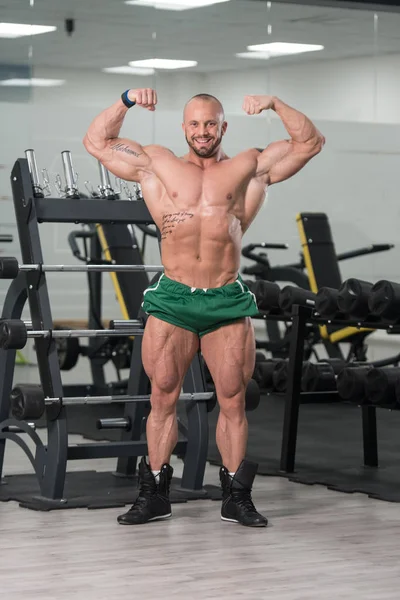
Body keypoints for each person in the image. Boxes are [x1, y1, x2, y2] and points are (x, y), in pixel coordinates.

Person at [83, 88, 324, 528]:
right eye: (194, 124)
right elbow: (96, 142)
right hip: (174, 296)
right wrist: (126, 100)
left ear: (223, 126)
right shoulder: (157, 162)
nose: (202, 132)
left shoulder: (247, 167)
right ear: (184, 128)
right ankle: (154, 493)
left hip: (225, 297)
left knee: (232, 400)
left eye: (210, 123)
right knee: (162, 397)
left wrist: (275, 103)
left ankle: (236, 497)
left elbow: (310, 143)